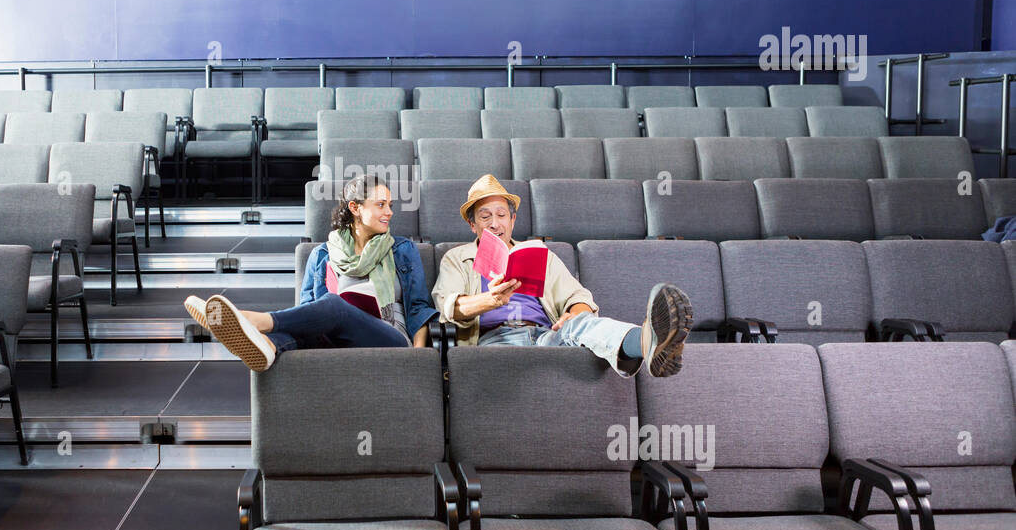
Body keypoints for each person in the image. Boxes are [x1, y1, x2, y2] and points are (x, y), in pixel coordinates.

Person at [431, 174, 692, 377]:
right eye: (485, 217)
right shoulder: (457, 258)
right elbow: (450, 306)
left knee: (582, 324)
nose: (494, 223)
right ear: (472, 224)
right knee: (508, 360)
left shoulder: (538, 254)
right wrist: (492, 300)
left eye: (501, 215)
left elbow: (578, 297)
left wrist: (575, 312)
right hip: (495, 342)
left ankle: (649, 342)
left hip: (546, 336)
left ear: (513, 220)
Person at [184, 175, 437, 373]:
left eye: (390, 205)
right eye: (381, 205)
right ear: (355, 208)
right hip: (334, 338)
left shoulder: (401, 249)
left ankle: (255, 320)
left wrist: (415, 359)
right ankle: (267, 346)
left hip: (388, 337)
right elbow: (308, 313)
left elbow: (418, 307)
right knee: (320, 315)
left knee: (334, 305)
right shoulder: (322, 255)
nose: (389, 212)